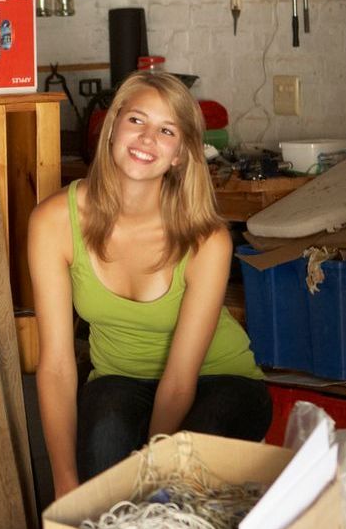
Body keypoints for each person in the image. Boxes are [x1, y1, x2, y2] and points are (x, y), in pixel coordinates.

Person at [29, 70, 269, 497]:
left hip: (218, 380)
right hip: (119, 379)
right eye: (136, 120)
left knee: (185, 469)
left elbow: (179, 379)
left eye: (166, 130)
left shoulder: (205, 239)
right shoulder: (54, 223)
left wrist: (154, 478)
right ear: (112, 127)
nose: (146, 140)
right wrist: (65, 485)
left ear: (180, 154)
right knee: (102, 447)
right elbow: (57, 365)